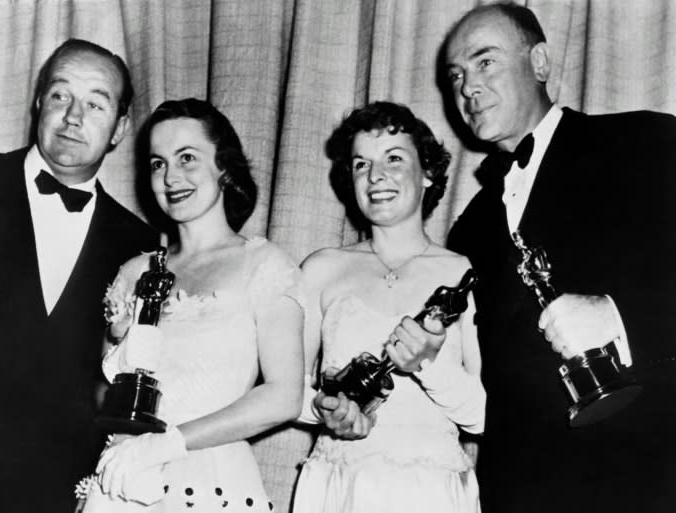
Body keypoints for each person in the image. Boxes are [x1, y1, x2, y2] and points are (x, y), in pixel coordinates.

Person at [443, 3, 676, 512]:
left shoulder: (645, 143)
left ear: (541, 63)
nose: (468, 87)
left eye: (485, 62)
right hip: (517, 489)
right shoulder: (468, 228)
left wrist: (617, 315)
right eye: (456, 75)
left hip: (640, 476)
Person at [0, 39, 158, 512]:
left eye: (95, 103)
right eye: (61, 95)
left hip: (52, 494)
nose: (73, 117)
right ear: (39, 101)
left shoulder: (140, 247)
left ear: (121, 128)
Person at [80, 98, 304, 512]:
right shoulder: (134, 271)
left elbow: (283, 397)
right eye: (157, 163)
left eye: (187, 158)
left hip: (209, 478)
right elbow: (103, 391)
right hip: (124, 477)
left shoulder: (265, 264)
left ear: (224, 167)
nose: (170, 177)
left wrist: (168, 443)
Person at [292, 101, 485, 513]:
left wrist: (428, 364)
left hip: (431, 492)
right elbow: (287, 391)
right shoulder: (321, 269)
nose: (376, 176)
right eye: (361, 164)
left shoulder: (463, 273)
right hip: (340, 485)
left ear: (428, 173)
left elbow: (483, 415)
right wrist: (325, 410)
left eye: (394, 159)